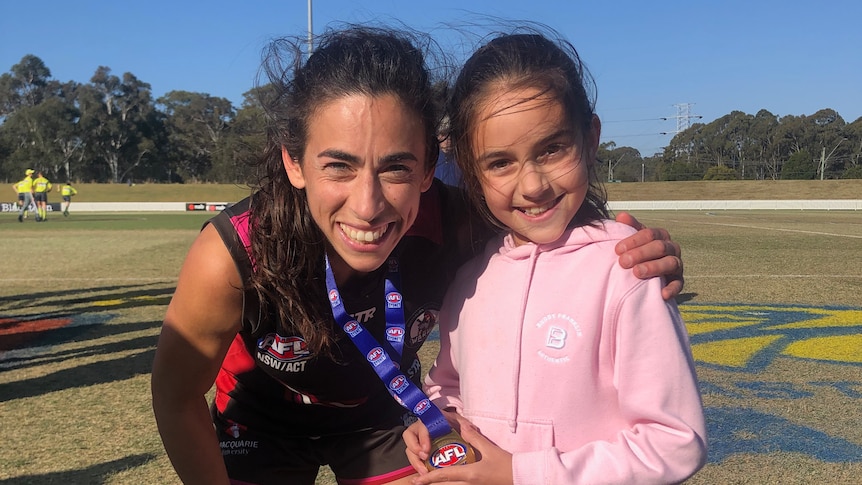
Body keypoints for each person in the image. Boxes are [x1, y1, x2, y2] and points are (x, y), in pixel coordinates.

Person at [151, 25, 685, 485]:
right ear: (294, 163)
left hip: (384, 411)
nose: (367, 205)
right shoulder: (235, 253)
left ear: (430, 167)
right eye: (338, 165)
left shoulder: (461, 225)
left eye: (396, 168)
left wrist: (627, 248)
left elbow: (544, 218)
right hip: (260, 417)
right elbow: (176, 399)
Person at [403, 31, 707, 484]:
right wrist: (439, 421)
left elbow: (676, 441)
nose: (533, 185)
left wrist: (524, 473)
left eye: (551, 149)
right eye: (500, 162)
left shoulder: (626, 268)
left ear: (590, 139)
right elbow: (449, 387)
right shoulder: (469, 278)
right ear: (470, 169)